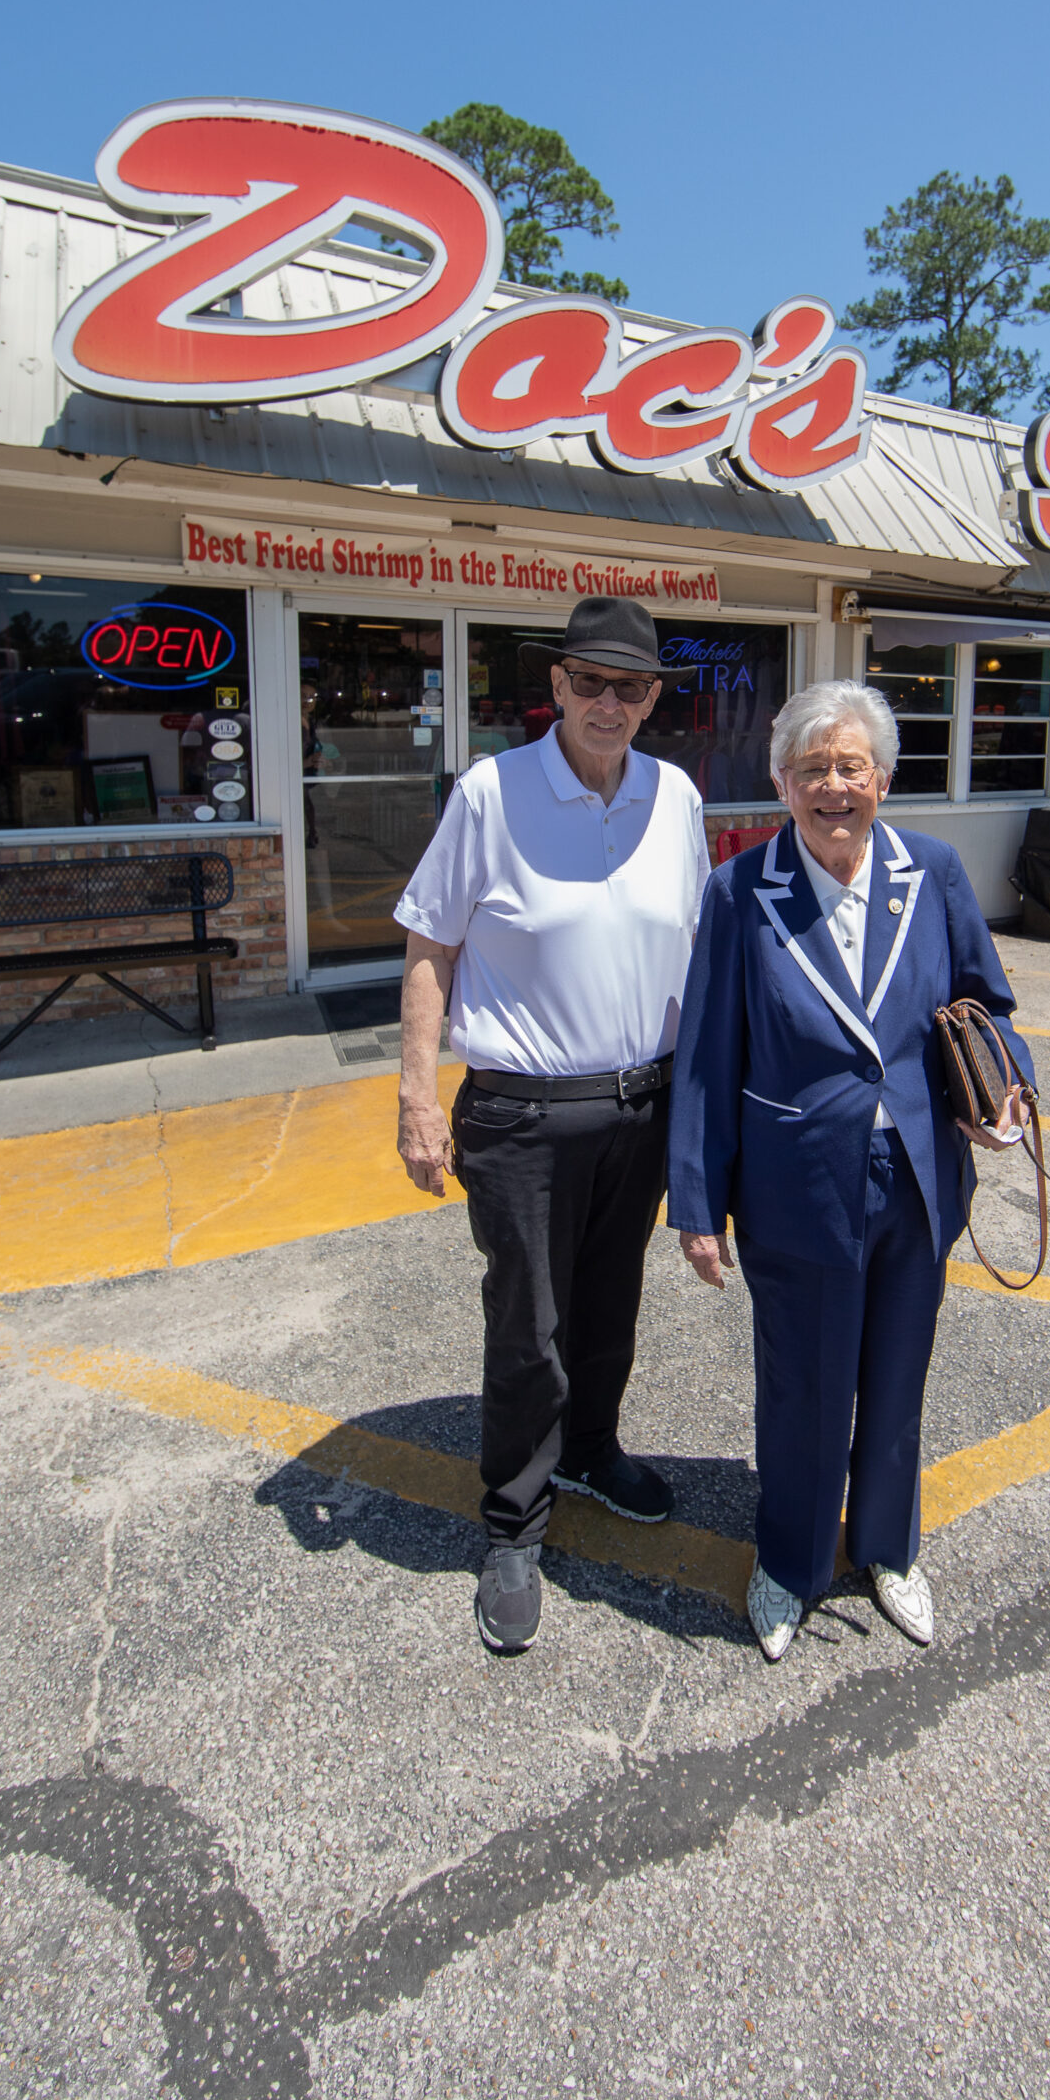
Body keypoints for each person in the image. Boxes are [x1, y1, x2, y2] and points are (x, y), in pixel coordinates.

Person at [668, 678, 1031, 1662]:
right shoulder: (741, 891)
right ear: (782, 782)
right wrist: (697, 1201)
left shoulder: (937, 873)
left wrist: (1005, 1094)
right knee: (802, 1387)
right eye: (814, 769)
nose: (834, 787)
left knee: (897, 1379)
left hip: (917, 1176)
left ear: (883, 777)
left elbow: (985, 1003)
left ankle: (889, 1548)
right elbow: (706, 1055)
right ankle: (788, 1561)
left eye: (852, 766)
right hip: (797, 1185)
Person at [394, 598, 708, 1656]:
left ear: (653, 698)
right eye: (591, 682)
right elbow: (431, 943)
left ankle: (593, 1449)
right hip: (522, 1113)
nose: (609, 704)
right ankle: (516, 1521)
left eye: (632, 687)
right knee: (528, 1323)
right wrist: (415, 1095)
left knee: (610, 1302)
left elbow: (701, 952)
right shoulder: (493, 790)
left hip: (641, 1104)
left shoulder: (676, 796)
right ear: (558, 685)